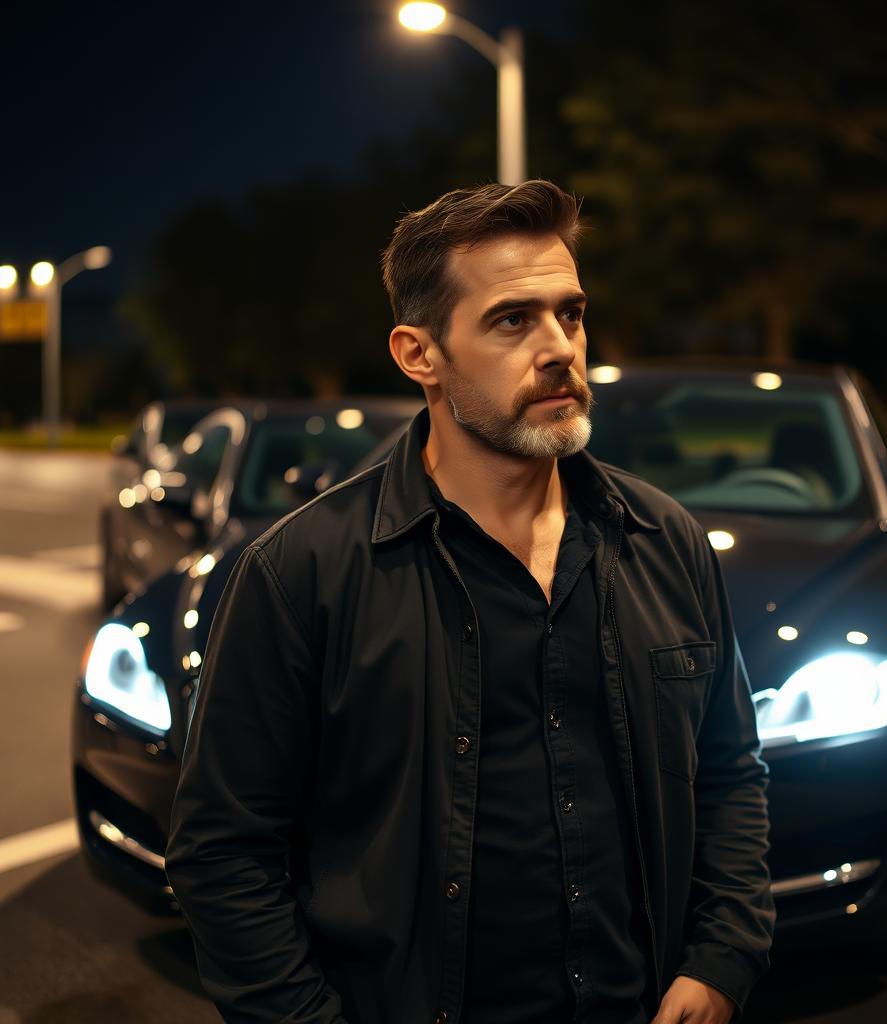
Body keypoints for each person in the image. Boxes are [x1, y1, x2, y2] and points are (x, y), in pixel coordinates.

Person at [165, 179, 775, 1024]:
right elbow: (222, 855)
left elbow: (730, 773)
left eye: (571, 312)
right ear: (420, 355)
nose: (560, 346)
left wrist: (719, 962)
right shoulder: (300, 572)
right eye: (512, 320)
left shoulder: (661, 538)